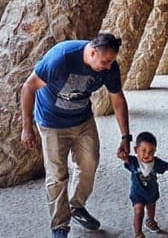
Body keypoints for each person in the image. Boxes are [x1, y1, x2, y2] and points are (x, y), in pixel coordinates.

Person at [20, 33, 132, 238]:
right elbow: (29, 86)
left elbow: (118, 100)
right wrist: (27, 127)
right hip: (51, 121)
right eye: (105, 61)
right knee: (57, 174)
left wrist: (126, 137)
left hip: (82, 119)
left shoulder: (110, 68)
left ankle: (77, 206)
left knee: (89, 163)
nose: (108, 67)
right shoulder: (61, 58)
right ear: (91, 52)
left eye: (111, 62)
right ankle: (59, 226)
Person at [119, 131, 168, 238]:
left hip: (151, 193)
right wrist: (122, 154)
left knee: (151, 209)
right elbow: (123, 157)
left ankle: (150, 221)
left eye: (151, 152)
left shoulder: (156, 162)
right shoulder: (133, 161)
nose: (147, 155)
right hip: (137, 194)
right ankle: (138, 233)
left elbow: (166, 166)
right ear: (136, 150)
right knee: (138, 211)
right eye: (143, 151)